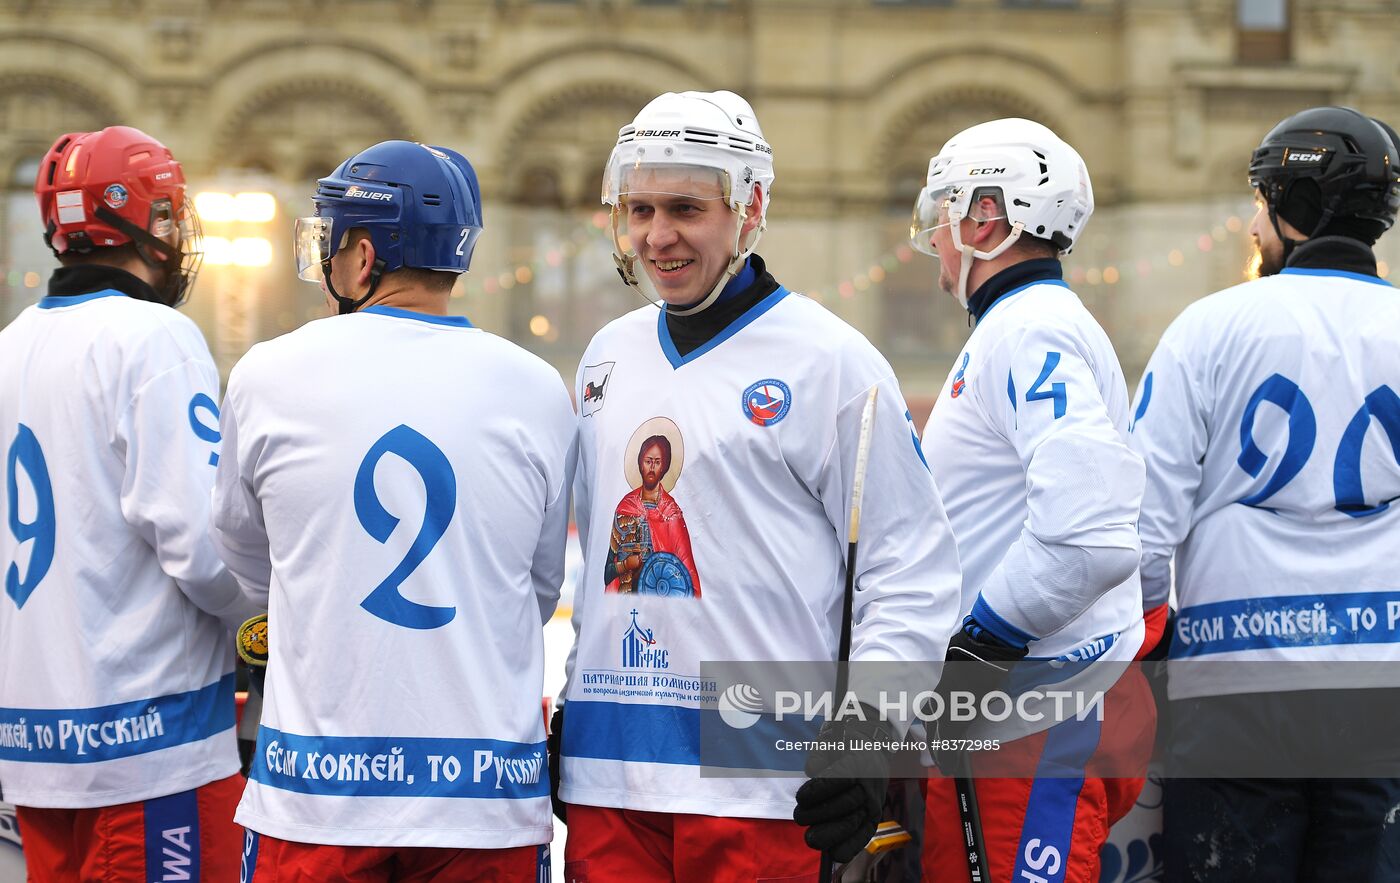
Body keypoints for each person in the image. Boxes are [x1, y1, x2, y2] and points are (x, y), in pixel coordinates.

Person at [549, 89, 963, 881]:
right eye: (638, 209)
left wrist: (869, 727)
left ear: (751, 206)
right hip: (612, 775)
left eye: (685, 208)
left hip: (762, 788)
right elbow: (604, 555)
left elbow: (908, 566)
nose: (656, 236)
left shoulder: (830, 361)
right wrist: (574, 700)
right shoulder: (607, 353)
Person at [211, 141, 574, 881]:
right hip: (486, 802)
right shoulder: (538, 389)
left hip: (314, 800)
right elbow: (535, 591)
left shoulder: (267, 376)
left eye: (335, 242)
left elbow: (247, 559)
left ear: (366, 253)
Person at [1129, 106, 1400, 882]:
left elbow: (1143, 527)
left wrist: (1151, 644)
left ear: (1294, 205)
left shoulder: (1208, 327)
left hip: (1234, 684)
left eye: (1262, 199)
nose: (1253, 221)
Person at [0, 126, 256, 881]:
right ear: (151, 217)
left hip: (34, 744)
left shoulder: (10, 344)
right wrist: (272, 607)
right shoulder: (154, 337)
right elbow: (204, 548)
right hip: (147, 746)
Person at [911, 118, 1156, 882]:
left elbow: (1088, 535)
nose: (940, 234)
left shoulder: (1031, 330)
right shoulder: (1021, 327)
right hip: (1020, 719)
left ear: (989, 215)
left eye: (951, 208)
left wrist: (981, 644)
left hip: (1035, 720)